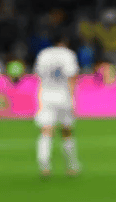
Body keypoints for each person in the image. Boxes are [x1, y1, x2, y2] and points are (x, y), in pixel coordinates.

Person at [33, 33, 81, 177]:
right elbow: (72, 77)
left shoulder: (43, 54)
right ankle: (71, 166)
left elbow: (38, 74)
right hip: (63, 95)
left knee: (46, 131)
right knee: (66, 131)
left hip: (46, 95)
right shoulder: (68, 54)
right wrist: (72, 98)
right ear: (65, 42)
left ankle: (44, 166)